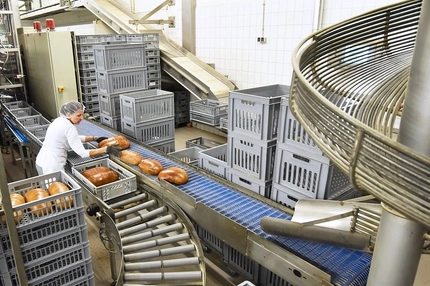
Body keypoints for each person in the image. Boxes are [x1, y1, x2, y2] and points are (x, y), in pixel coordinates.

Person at [35, 101, 120, 175]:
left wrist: (93, 138)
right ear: (69, 114)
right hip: (52, 167)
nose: (82, 118)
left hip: (42, 160)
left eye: (82, 115)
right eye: (78, 115)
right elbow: (82, 153)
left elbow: (72, 138)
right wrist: (106, 149)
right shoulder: (69, 128)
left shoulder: (59, 120)